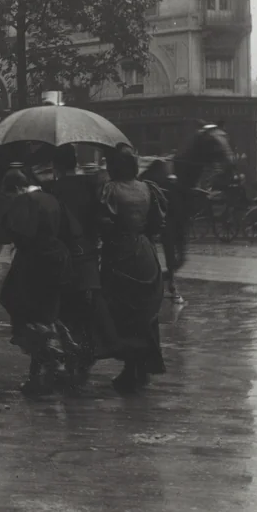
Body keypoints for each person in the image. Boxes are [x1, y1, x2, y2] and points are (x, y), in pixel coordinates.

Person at [0, 167, 76, 396]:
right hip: (58, 260)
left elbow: (14, 234)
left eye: (10, 194)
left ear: (17, 188)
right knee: (45, 314)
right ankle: (39, 370)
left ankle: (50, 355)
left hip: (34, 262)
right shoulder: (51, 198)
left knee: (16, 303)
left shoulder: (24, 202)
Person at [99, 149, 168, 393]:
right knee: (144, 311)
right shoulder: (148, 189)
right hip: (145, 253)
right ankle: (141, 365)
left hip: (121, 252)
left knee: (123, 310)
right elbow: (157, 223)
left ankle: (130, 366)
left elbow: (103, 222)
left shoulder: (110, 190)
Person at [47, 145, 118, 363]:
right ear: (75, 162)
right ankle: (108, 343)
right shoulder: (88, 184)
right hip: (87, 250)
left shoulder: (52, 189)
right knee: (94, 298)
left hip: (64, 254)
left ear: (56, 166)